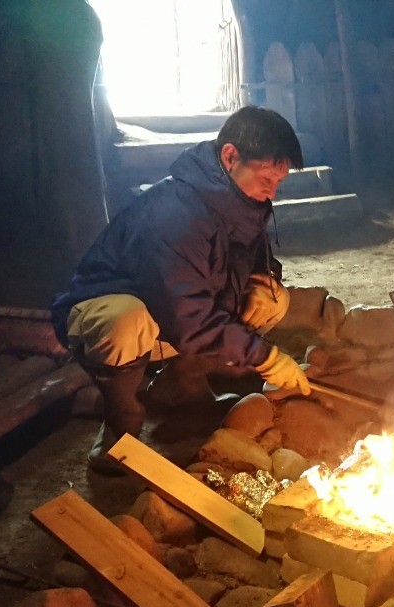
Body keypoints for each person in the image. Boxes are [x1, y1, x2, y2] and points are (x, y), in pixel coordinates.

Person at [50, 106, 311, 473]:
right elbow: (187, 317)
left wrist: (263, 278)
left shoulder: (241, 203)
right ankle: (120, 427)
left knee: (269, 296)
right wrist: (265, 358)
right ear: (230, 156)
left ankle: (181, 386)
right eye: (267, 177)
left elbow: (256, 261)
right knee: (125, 320)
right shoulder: (177, 211)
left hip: (173, 319)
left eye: (279, 181)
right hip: (116, 312)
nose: (273, 191)